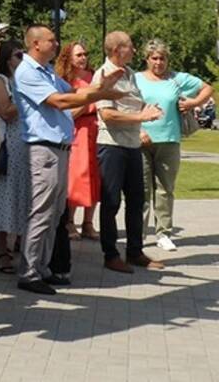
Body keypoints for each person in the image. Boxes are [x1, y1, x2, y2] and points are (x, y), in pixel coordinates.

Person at [12, 26, 124, 294]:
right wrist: (103, 94)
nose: (56, 43)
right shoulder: (27, 72)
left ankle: (42, 268)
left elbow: (76, 93)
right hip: (44, 148)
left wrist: (101, 88)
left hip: (59, 148)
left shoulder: (47, 70)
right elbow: (61, 101)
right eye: (51, 40)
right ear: (36, 44)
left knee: (54, 214)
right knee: (41, 212)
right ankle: (29, 272)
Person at [94, 30, 165, 273]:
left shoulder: (130, 74)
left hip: (133, 145)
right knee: (111, 201)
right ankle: (110, 255)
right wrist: (141, 116)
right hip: (112, 146)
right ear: (116, 50)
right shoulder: (103, 75)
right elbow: (107, 114)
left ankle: (135, 251)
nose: (134, 51)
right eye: (130, 47)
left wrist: (150, 109)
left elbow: (137, 102)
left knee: (137, 200)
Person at [135, 39, 213, 252]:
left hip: (169, 140)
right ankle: (138, 234)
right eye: (154, 58)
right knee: (141, 190)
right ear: (147, 59)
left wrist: (193, 103)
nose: (159, 62)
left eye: (162, 58)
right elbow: (128, 105)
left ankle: (164, 233)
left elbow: (207, 88)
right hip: (141, 140)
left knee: (165, 189)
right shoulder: (136, 79)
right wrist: (138, 129)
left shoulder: (177, 79)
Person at [0, 40, 28, 275]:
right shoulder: (0, 81)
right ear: (7, 59)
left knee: (25, 196)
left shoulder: (25, 80)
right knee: (5, 197)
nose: (22, 60)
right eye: (17, 56)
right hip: (9, 147)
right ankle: (2, 249)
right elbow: (5, 112)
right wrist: (26, 95)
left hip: (27, 146)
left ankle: (22, 243)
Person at [55, 41, 100, 239]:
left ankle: (89, 222)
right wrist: (87, 100)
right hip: (77, 130)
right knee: (77, 177)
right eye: (79, 54)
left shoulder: (94, 76)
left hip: (96, 129)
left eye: (85, 54)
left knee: (96, 176)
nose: (83, 58)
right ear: (69, 57)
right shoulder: (66, 81)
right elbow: (68, 113)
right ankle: (70, 221)